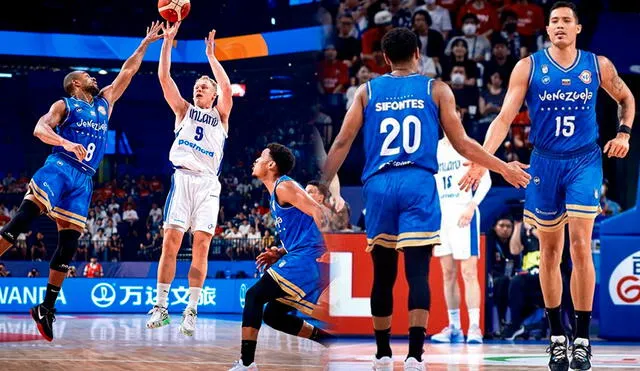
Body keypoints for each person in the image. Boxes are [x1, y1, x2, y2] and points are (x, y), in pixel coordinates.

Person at [322, 27, 530, 371]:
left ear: (385, 58)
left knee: (383, 275)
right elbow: (463, 144)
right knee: (418, 274)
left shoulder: (366, 90)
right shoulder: (436, 89)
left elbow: (342, 143)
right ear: (419, 54)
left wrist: (322, 184)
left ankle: (383, 353)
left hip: (379, 185)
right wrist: (502, 167)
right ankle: (416, 357)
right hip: (418, 183)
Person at [459, 3, 635, 370]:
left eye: (566, 21)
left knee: (581, 246)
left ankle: (583, 339)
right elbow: (504, 118)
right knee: (549, 254)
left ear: (578, 28)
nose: (558, 26)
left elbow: (626, 99)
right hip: (544, 163)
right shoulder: (529, 66)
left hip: (584, 161)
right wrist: (481, 161)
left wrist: (624, 133)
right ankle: (557, 336)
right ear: (548, 29)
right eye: (553, 21)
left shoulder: (597, 65)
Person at [0, 21, 163, 342]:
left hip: (84, 180)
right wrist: (64, 143)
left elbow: (127, 72)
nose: (94, 78)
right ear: (75, 83)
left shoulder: (105, 103)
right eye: (87, 76)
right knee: (24, 219)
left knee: (69, 243)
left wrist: (145, 44)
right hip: (60, 166)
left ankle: (45, 307)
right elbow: (40, 129)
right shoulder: (65, 104)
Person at [146, 22, 233, 337]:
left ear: (213, 94)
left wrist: (211, 56)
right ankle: (161, 307)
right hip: (182, 180)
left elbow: (226, 85)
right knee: (170, 243)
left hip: (208, 185)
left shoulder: (221, 116)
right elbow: (164, 78)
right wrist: (167, 43)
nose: (199, 88)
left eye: (204, 87)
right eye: (197, 86)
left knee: (201, 245)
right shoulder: (183, 110)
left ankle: (192, 310)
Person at [229, 143, 333, 370]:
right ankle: (329, 340)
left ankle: (247, 364)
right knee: (273, 315)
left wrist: (333, 247)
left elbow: (318, 211)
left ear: (271, 164)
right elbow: (305, 229)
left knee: (255, 295)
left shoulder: (283, 186)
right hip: (300, 255)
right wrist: (281, 251)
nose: (255, 160)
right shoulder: (275, 195)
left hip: (308, 259)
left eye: (261, 156)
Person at [431, 131, 492, 344]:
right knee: (448, 273)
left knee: (469, 272)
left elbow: (486, 179)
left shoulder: (469, 144)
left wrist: (472, 205)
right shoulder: (434, 148)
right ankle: (454, 326)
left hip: (463, 214)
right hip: (442, 216)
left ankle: (474, 327)